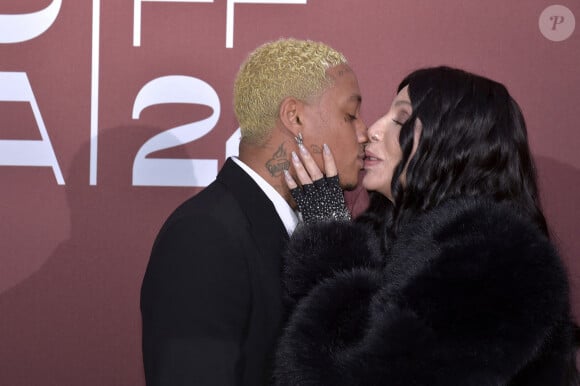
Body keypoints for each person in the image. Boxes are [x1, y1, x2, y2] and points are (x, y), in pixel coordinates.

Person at [274, 66, 579, 385]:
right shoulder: (406, 240)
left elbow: (360, 376)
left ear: (454, 142)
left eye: (401, 120)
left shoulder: (494, 258)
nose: (373, 131)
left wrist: (329, 238)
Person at [140, 38, 368, 385]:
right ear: (295, 117)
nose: (365, 133)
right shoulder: (204, 236)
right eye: (350, 115)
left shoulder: (304, 229)